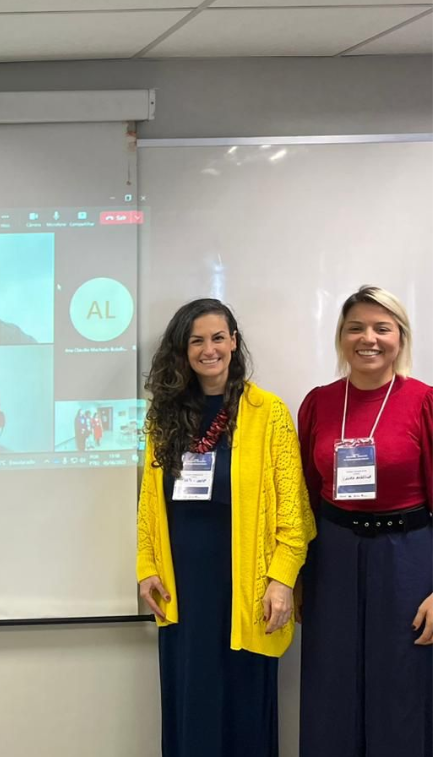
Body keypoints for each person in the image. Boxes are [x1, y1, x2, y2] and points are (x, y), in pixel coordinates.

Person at [136, 298, 315, 757]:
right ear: (183, 349)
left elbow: (293, 509)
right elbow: (150, 503)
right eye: (197, 340)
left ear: (234, 343)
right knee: (190, 704)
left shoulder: (267, 412)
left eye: (218, 337)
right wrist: (146, 564)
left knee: (244, 709)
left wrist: (281, 579)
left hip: (248, 585)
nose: (208, 349)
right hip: (185, 586)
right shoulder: (166, 414)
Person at [297, 286, 432, 757]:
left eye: (382, 327)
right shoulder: (319, 403)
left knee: (403, 687)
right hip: (332, 556)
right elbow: (305, 499)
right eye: (355, 327)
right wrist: (296, 574)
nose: (368, 338)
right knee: (331, 686)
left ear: (400, 337)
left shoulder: (424, 402)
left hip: (409, 560)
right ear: (341, 337)